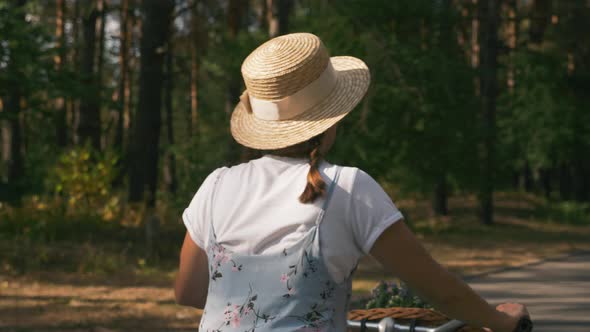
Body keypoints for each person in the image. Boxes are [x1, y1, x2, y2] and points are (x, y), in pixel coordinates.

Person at [174, 32, 530, 332]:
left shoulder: (217, 185)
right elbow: (440, 290)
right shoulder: (347, 187)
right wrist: (501, 321)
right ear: (331, 118)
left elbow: (189, 291)